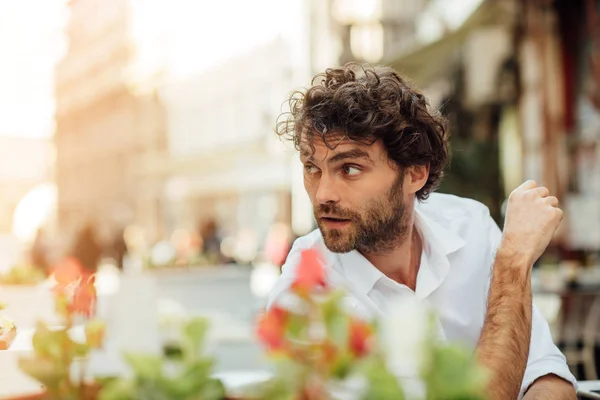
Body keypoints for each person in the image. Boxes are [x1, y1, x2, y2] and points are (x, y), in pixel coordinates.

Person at [267, 64, 577, 400]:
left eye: (350, 168)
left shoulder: (470, 225)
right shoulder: (308, 290)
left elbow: (548, 377)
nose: (323, 193)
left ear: (415, 173)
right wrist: (513, 263)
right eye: (312, 168)